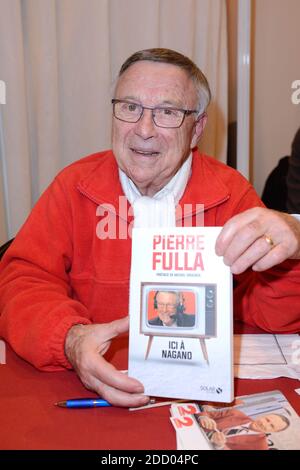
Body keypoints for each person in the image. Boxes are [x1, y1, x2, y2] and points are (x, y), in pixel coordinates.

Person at [0, 48, 300, 408]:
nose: (144, 129)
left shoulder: (231, 193)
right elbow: (22, 281)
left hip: (200, 398)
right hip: (90, 391)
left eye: (168, 113)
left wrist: (293, 256)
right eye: (130, 107)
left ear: (197, 129)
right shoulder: (73, 186)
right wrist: (70, 339)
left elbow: (273, 317)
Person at [195, 409, 290, 450]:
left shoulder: (261, 447)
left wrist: (220, 446)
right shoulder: (235, 413)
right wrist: (203, 418)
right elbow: (205, 413)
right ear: (263, 415)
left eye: (271, 426)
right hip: (191, 431)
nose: (264, 423)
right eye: (267, 419)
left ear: (274, 432)